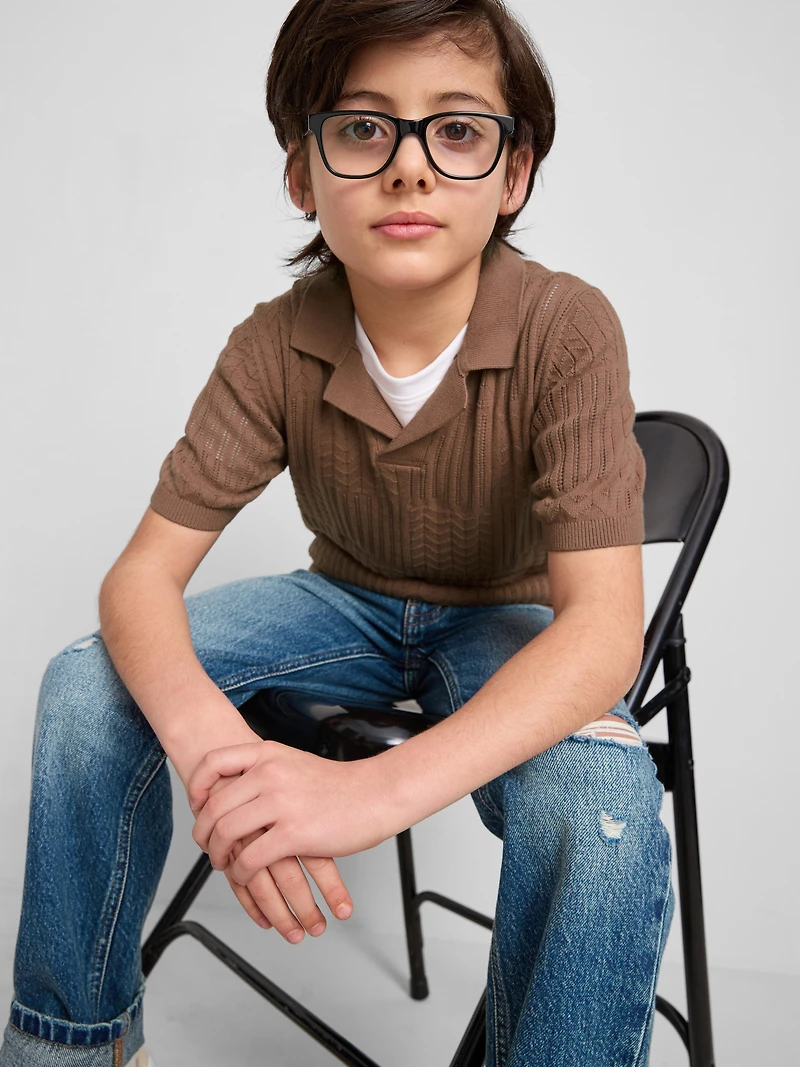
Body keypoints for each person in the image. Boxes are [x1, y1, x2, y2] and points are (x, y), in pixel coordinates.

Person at [0, 1, 675, 1065]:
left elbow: (600, 633)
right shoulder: (275, 341)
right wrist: (226, 767)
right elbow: (140, 578)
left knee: (601, 795)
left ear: (513, 174)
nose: (408, 168)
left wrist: (367, 794)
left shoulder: (566, 326)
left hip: (503, 619)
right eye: (362, 128)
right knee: (87, 683)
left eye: (457, 131)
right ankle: (71, 1046)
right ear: (302, 175)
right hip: (344, 601)